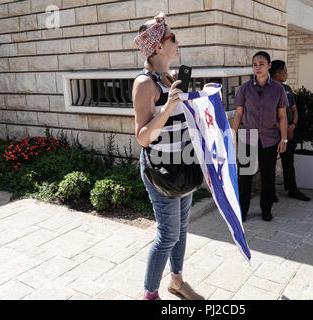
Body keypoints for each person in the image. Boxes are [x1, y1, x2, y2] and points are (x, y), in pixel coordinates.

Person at [132, 12, 204, 300]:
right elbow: (142, 136)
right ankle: (150, 294)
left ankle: (177, 281)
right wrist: (166, 107)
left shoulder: (169, 78)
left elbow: (182, 118)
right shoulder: (145, 84)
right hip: (160, 169)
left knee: (182, 229)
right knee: (167, 235)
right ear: (159, 46)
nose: (178, 42)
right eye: (172, 37)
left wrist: (201, 98)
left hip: (182, 163)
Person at [231, 51, 289, 222]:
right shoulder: (245, 88)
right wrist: (232, 136)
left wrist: (284, 139)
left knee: (268, 176)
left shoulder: (279, 89)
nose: (258, 67)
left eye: (262, 63)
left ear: (269, 65)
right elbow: (239, 113)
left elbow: (283, 116)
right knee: (245, 178)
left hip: (269, 139)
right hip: (247, 138)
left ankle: (266, 210)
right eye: (255, 64)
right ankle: (243, 211)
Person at [269, 60, 311, 202]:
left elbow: (294, 109)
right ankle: (270, 192)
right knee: (269, 164)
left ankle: (292, 189)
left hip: (289, 132)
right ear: (277, 74)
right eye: (285, 71)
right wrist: (282, 130)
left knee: (288, 161)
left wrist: (293, 125)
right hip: (273, 134)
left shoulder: (287, 89)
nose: (287, 74)